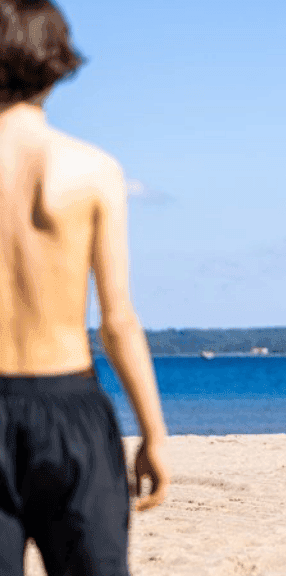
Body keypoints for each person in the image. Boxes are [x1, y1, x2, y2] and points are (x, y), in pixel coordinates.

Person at [0, 1, 169, 574]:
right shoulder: (91, 169)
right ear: (56, 62)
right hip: (69, 406)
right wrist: (153, 433)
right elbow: (117, 321)